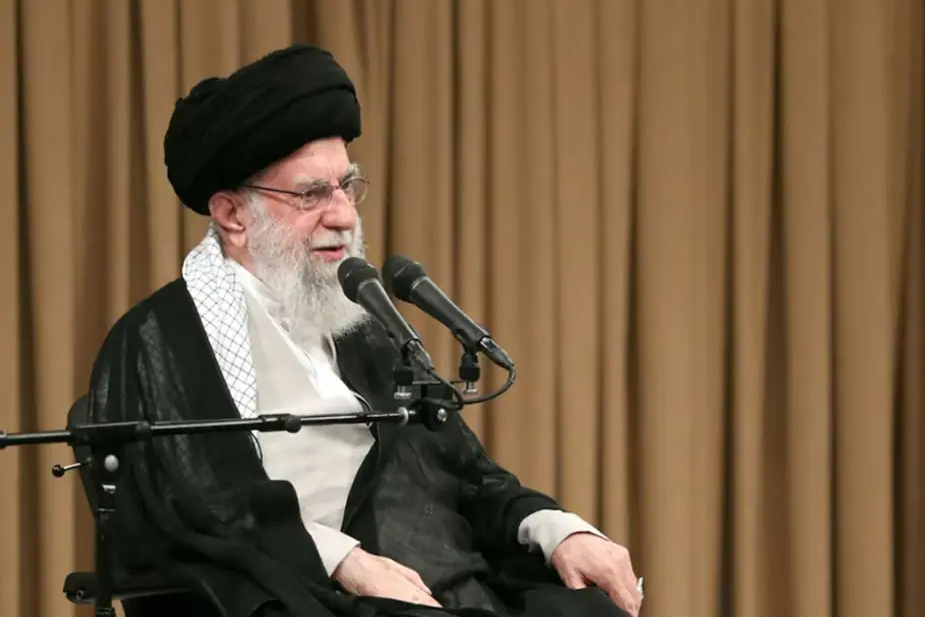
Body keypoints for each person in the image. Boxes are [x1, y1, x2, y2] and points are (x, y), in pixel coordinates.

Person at [86, 44, 642, 617]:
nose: (343, 215)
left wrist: (555, 527)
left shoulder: (362, 326)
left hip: (450, 587)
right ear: (232, 216)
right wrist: (344, 560)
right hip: (315, 599)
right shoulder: (161, 341)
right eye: (311, 194)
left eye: (347, 187)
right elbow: (193, 507)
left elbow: (466, 473)